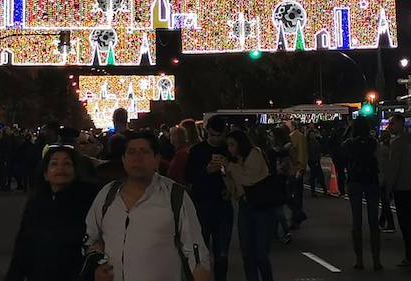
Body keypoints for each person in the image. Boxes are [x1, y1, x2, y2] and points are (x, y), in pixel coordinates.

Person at [86, 132, 212, 281]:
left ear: (156, 159)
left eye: (144, 152)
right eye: (131, 152)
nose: (137, 158)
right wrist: (97, 265)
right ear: (124, 160)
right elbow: (91, 237)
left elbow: (196, 252)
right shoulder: (108, 195)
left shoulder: (174, 196)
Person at [5, 146, 99, 281]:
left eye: (67, 163)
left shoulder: (89, 201)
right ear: (46, 173)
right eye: (54, 164)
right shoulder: (36, 204)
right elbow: (24, 245)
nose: (60, 168)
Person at [222, 129, 277, 281]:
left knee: (261, 255)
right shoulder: (234, 162)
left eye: (232, 145)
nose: (230, 149)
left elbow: (249, 180)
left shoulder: (254, 154)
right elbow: (235, 189)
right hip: (245, 207)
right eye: (228, 146)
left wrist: (231, 168)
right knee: (247, 255)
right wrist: (226, 175)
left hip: (261, 207)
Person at [184, 117, 233, 281]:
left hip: (223, 207)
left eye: (219, 135)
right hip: (202, 206)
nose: (215, 139)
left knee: (222, 255)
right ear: (207, 132)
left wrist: (228, 176)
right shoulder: (197, 151)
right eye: (212, 135)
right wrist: (206, 171)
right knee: (200, 254)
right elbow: (189, 177)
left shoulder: (229, 150)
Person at [381, 113, 411, 269]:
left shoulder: (397, 143)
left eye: (392, 124)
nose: (389, 127)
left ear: (400, 124)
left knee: (405, 224)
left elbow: (394, 168)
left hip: (402, 187)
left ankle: (410, 256)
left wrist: (388, 188)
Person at [342, 117, 382, 270]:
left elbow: (341, 153)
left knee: (356, 222)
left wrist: (348, 131)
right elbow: (378, 160)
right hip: (371, 180)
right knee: (373, 222)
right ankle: (376, 260)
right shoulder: (373, 142)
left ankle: (359, 260)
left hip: (355, 181)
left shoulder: (349, 143)